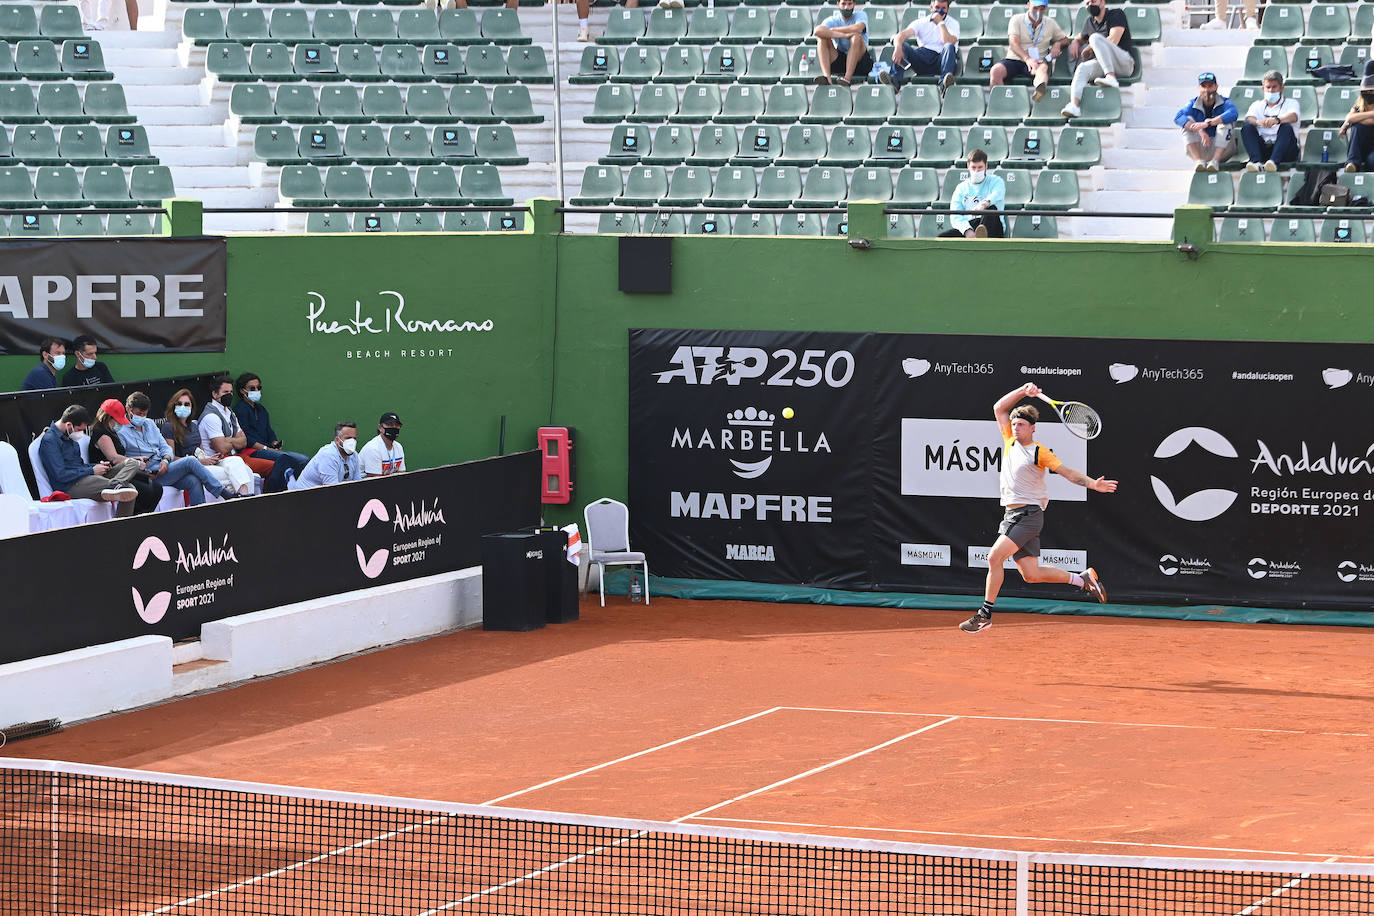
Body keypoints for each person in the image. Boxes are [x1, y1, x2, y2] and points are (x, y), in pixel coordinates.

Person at [959, 382, 1116, 634]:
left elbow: (1068, 473)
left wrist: (1092, 484)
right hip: (1012, 515)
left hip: (1028, 515)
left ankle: (984, 614)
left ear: (1032, 428)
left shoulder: (1038, 452)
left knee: (993, 557)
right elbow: (999, 408)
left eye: (1021, 424)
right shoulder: (1009, 441)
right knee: (1031, 574)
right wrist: (1023, 390)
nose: (1015, 427)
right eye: (1014, 424)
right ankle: (1082, 580)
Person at [118, 391, 245, 505]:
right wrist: (140, 464)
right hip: (148, 474)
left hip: (164, 467)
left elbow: (165, 447)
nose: (142, 417)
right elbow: (121, 459)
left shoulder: (150, 423)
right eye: (139, 413)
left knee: (193, 480)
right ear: (129, 410)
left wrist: (166, 460)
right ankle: (224, 493)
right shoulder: (122, 431)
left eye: (144, 414)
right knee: (190, 461)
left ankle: (200, 514)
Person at [36, 404, 140, 514]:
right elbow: (60, 475)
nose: (80, 433)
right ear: (68, 425)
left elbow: (79, 466)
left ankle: (115, 485)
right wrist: (92, 470)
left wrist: (96, 466)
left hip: (85, 478)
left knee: (132, 468)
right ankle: (115, 488)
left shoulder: (70, 436)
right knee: (127, 489)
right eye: (79, 429)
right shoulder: (50, 441)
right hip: (70, 486)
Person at [200, 376, 291, 493]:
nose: (230, 395)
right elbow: (222, 448)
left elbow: (244, 442)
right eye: (225, 392)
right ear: (215, 394)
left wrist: (229, 440)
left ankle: (267, 497)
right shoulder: (211, 416)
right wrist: (234, 441)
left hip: (236, 456)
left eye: (231, 392)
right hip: (222, 460)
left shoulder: (229, 412)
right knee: (274, 466)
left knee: (276, 465)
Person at [161, 388, 256, 496]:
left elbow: (202, 451)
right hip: (190, 468)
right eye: (179, 404)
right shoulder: (168, 427)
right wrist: (201, 462)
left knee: (236, 460)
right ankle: (239, 499)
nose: (183, 407)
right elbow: (171, 458)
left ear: (192, 408)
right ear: (173, 406)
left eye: (187, 404)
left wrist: (211, 458)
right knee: (229, 474)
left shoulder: (194, 426)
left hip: (204, 462)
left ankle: (244, 497)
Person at [230, 372, 310, 486]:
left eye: (259, 387)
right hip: (252, 452)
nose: (256, 390)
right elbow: (246, 438)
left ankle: (296, 488)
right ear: (243, 391)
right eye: (252, 388)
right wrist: (266, 448)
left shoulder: (261, 409)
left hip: (267, 449)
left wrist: (274, 443)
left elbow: (269, 430)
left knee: (304, 459)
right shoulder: (240, 410)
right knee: (297, 460)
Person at [1060, 0, 1135, 120]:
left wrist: (1090, 46)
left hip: (1124, 62)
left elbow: (1114, 39)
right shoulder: (1090, 22)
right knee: (1082, 68)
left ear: (1103, 2)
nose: (1090, 5)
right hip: (1105, 64)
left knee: (1094, 38)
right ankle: (1074, 105)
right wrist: (1075, 42)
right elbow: (1080, 37)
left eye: (1093, 1)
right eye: (1087, 3)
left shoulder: (1116, 14)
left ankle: (1111, 77)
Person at [88, 398, 162, 515]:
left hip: (122, 471)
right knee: (145, 490)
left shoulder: (112, 432)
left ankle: (145, 518)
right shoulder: (101, 434)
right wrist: (136, 462)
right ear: (107, 418)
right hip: (109, 474)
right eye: (116, 421)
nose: (119, 424)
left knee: (157, 488)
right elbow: (114, 458)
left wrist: (138, 459)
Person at [990, 0, 1070, 104]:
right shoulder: (1016, 19)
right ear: (1028, 5)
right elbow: (1013, 43)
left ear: (1045, 8)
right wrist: (1027, 58)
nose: (1038, 11)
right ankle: (999, 104)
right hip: (1015, 59)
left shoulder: (1050, 23)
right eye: (1035, 8)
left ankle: (1039, 92)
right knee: (995, 71)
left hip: (1038, 61)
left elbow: (1066, 40)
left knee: (1043, 69)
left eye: (1042, 8)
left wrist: (1057, 44)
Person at [882, 0, 959, 93]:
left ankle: (944, 84)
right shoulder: (921, 22)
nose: (940, 11)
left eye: (943, 8)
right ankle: (894, 81)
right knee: (902, 45)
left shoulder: (953, 23)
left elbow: (947, 41)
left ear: (948, 9)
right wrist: (898, 47)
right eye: (937, 8)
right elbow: (901, 35)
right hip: (923, 58)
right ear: (931, 7)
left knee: (949, 46)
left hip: (942, 60)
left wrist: (940, 23)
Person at [1175, 72, 1239, 172]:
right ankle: (1198, 162)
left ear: (1216, 87)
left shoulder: (1225, 102)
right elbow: (1178, 117)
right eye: (1203, 86)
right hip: (1202, 146)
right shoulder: (1193, 103)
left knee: (1225, 122)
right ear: (1198, 88)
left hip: (1223, 149)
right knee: (1187, 124)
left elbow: (1233, 113)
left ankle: (1215, 161)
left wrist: (1208, 123)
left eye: (1210, 86)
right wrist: (1199, 130)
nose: (1207, 90)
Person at [1241, 70, 1300, 172]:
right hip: (1265, 147)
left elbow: (1294, 116)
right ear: (1263, 88)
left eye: (1274, 87)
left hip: (1286, 150)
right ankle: (1256, 162)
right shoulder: (1257, 104)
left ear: (1282, 88)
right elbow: (1249, 118)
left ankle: (1273, 162)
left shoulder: (1291, 103)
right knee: (1247, 128)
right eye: (1268, 87)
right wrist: (1258, 122)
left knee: (1286, 127)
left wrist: (1277, 120)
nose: (1271, 90)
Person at [941, 149, 1006, 238]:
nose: (976, 171)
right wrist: (967, 230)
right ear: (968, 166)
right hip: (970, 225)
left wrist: (984, 205)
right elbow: (955, 215)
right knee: (942, 238)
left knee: (991, 209)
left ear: (986, 166)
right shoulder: (961, 188)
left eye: (980, 167)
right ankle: (978, 239)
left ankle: (981, 240)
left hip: (993, 226)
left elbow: (997, 193)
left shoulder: (996, 181)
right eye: (973, 167)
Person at [812, 0, 871, 87]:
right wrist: (844, 35)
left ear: (854, 4)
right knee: (822, 39)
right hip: (841, 59)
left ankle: (847, 78)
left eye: (849, 4)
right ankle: (827, 78)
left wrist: (832, 30)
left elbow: (858, 28)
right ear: (838, 4)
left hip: (860, 61)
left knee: (856, 37)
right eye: (843, 4)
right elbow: (817, 31)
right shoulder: (832, 20)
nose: (846, 7)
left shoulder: (861, 15)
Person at [288, 422, 361, 490]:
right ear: (337, 440)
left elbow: (358, 484)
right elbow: (333, 490)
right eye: (348, 438)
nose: (352, 442)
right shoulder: (328, 456)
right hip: (304, 497)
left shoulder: (354, 455)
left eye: (354, 438)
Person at [1339, 71, 1374, 173]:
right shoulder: (1359, 106)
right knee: (1357, 127)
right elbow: (1349, 117)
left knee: (1372, 160)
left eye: (1371, 91)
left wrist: (1357, 118)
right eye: (1365, 91)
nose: (1368, 93)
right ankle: (1352, 164)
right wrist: (1371, 114)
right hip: (1362, 148)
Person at [359, 412, 406, 477]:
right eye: (390, 424)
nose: (394, 427)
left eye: (397, 425)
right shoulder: (373, 448)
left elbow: (401, 475)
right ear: (380, 427)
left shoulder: (399, 447)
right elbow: (376, 481)